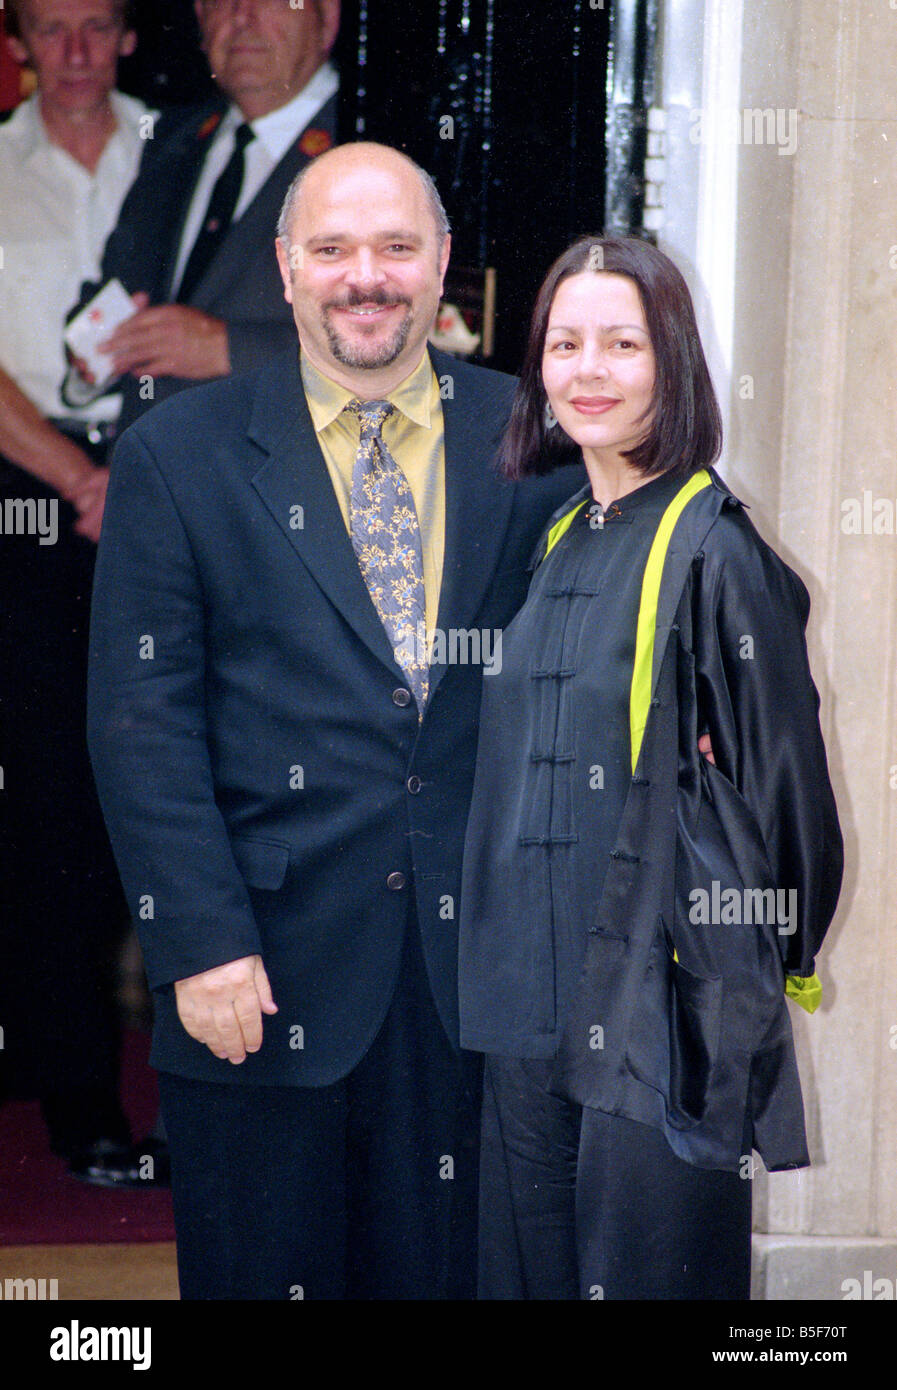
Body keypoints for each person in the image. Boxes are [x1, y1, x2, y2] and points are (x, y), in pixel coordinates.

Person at [86, 141, 583, 1299]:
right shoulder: (179, 455)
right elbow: (139, 721)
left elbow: (640, 606)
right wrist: (197, 938)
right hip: (255, 971)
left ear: (443, 264)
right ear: (286, 268)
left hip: (472, 981)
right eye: (335, 250)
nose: (368, 276)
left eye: (398, 248)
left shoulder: (535, 439)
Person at [457, 236, 844, 1300]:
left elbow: (787, 786)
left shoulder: (714, 548)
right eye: (565, 343)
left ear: (671, 360)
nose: (589, 370)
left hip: (653, 1003)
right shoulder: (562, 535)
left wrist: (784, 950)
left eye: (622, 343)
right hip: (527, 996)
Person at [0, 0, 156, 1185]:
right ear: (19, 39)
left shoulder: (186, 154)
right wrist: (78, 483)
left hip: (169, 489)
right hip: (28, 499)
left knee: (160, 785)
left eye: (95, 24)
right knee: (50, 799)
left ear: (128, 37)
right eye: (51, 27)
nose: (75, 50)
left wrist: (132, 486)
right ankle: (78, 1094)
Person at [64, 0, 342, 431]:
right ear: (198, 17)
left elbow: (423, 344)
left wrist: (229, 349)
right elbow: (118, 291)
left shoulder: (375, 147)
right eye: (222, 1)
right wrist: (95, 346)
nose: (241, 16)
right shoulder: (174, 140)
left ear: (327, 17)